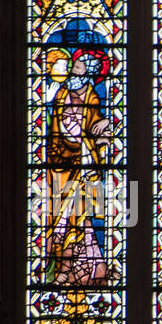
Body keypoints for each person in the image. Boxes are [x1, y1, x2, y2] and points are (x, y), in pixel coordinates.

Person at [45, 48, 112, 285]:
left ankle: (75, 272)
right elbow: (55, 126)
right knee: (60, 219)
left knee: (80, 218)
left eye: (78, 70)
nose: (73, 74)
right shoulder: (61, 94)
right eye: (73, 69)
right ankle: (61, 271)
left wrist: (101, 127)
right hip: (61, 166)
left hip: (83, 167)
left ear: (87, 76)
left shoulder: (92, 97)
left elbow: (96, 128)